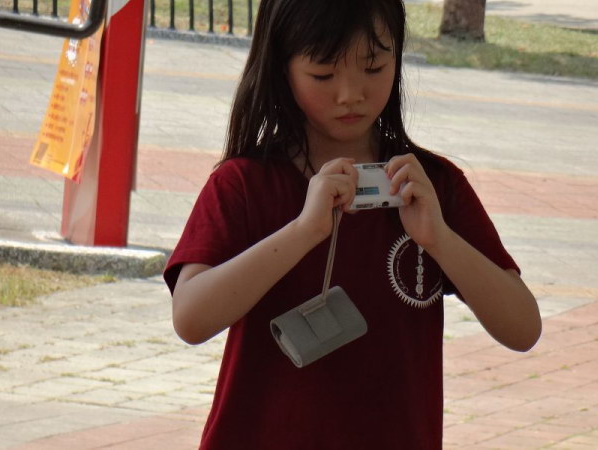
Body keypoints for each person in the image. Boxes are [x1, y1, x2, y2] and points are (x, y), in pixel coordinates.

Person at [163, 0, 542, 448]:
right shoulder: (244, 184)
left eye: (373, 67)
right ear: (282, 67)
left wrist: (439, 238)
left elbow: (523, 328)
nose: (350, 94)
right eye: (323, 74)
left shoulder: (430, 186)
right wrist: (304, 231)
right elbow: (191, 318)